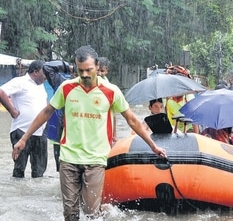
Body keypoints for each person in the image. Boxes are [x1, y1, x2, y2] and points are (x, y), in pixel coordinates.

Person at [11, 45, 167, 220]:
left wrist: (153, 146)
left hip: (96, 160)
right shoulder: (66, 88)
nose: (84, 75)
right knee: (70, 212)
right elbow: (47, 112)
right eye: (80, 70)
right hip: (69, 157)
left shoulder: (111, 91)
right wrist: (24, 138)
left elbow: (132, 120)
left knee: (91, 213)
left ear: (97, 67)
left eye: (88, 70)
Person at [0, 60, 48, 178]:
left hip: (40, 132)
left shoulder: (41, 86)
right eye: (44, 72)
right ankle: (18, 194)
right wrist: (12, 111)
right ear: (36, 72)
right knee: (19, 169)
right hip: (21, 130)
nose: (46, 75)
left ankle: (35, 195)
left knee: (39, 172)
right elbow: (1, 92)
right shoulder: (20, 82)